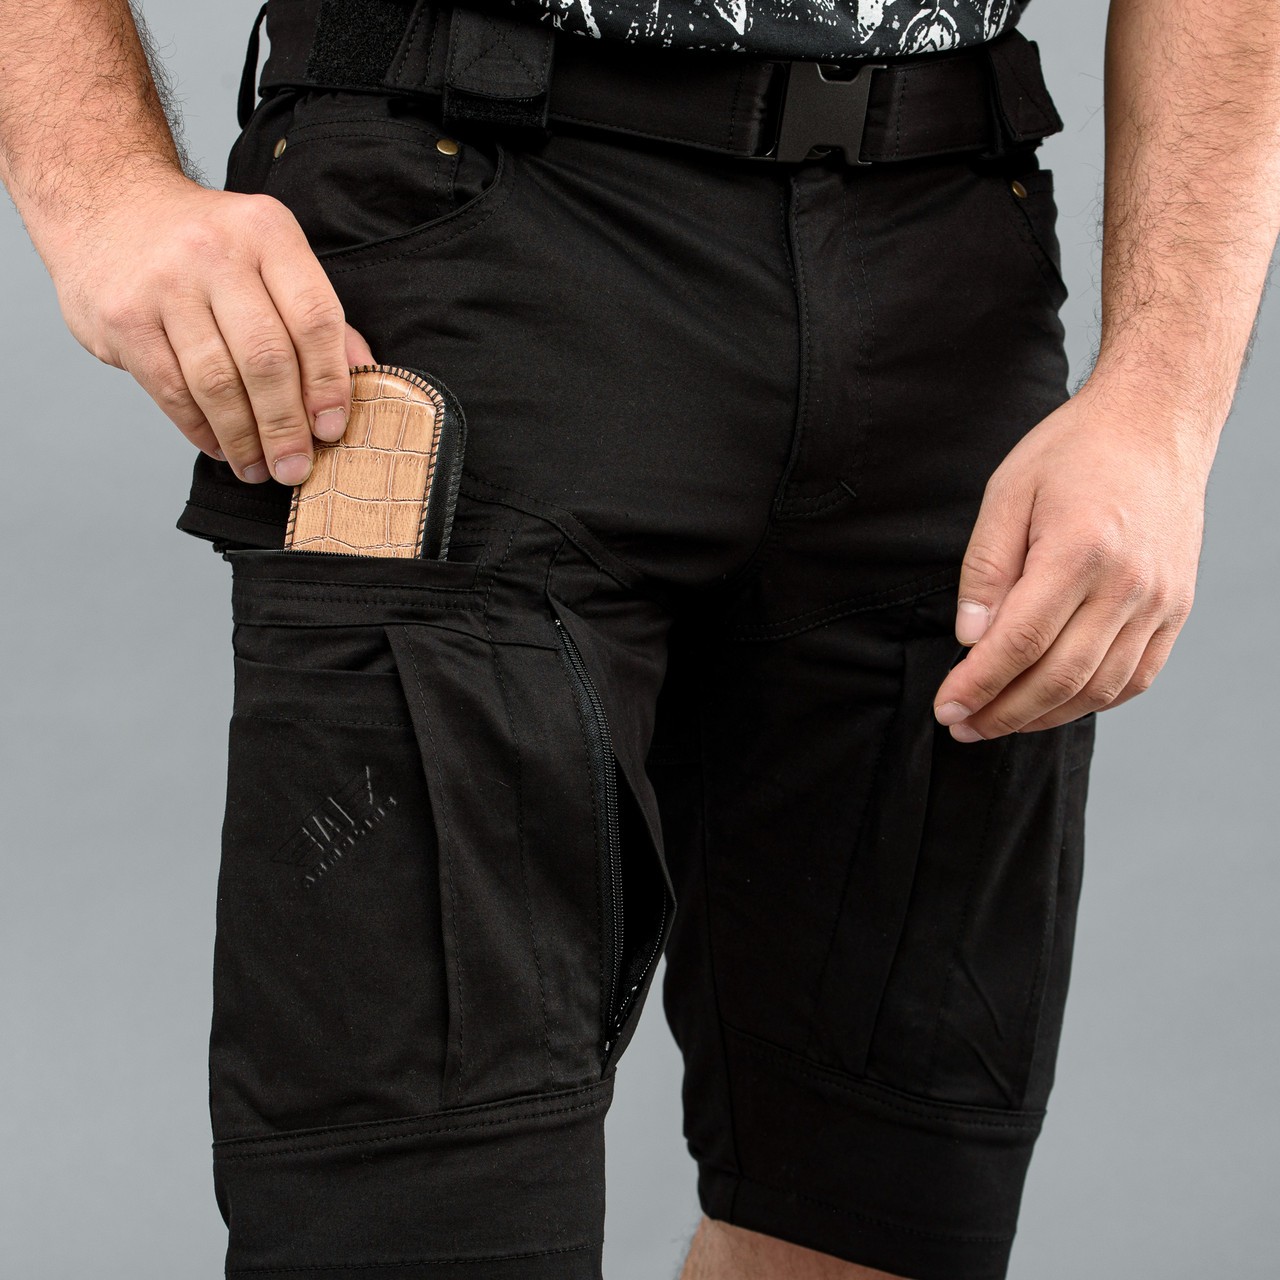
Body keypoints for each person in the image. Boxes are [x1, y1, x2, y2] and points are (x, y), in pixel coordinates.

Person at [2, 0, 1276, 1277]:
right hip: (470, 223)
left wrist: (1163, 399)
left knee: (871, 1220)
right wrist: (98, 188)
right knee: (417, 1222)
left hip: (946, 272)